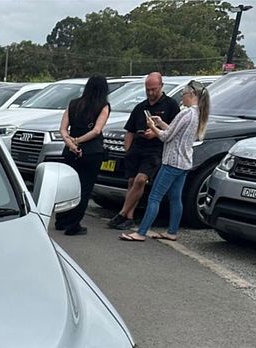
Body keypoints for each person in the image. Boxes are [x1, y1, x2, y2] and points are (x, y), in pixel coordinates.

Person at [120, 80, 211, 243]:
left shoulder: (186, 113)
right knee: (175, 197)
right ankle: (172, 231)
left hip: (172, 162)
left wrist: (152, 126)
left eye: (183, 95)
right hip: (184, 162)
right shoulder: (197, 114)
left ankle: (141, 232)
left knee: (154, 197)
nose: (182, 98)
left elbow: (166, 136)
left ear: (191, 94)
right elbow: (173, 130)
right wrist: (160, 122)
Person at [108, 72, 182, 231]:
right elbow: (130, 131)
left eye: (153, 89)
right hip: (137, 148)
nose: (150, 93)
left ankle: (121, 213)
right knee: (131, 181)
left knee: (141, 180)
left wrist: (156, 132)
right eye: (147, 89)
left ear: (161, 86)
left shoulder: (171, 105)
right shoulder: (140, 107)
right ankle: (129, 217)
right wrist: (127, 151)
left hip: (155, 150)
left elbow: (175, 131)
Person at [54, 75, 111, 236]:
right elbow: (96, 130)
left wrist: (71, 144)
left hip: (70, 151)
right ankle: (74, 224)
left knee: (67, 186)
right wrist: (79, 141)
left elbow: (63, 129)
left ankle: (61, 220)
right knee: (84, 188)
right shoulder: (103, 106)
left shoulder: (73, 104)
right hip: (91, 151)